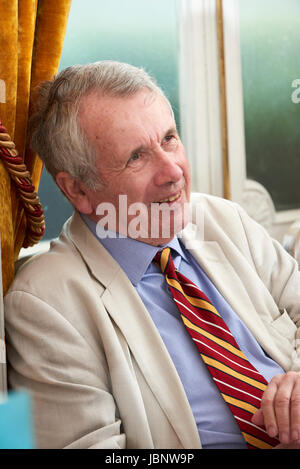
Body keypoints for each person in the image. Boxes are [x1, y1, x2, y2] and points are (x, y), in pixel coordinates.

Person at [4, 61, 300, 450]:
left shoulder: (223, 220)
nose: (172, 171)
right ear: (78, 190)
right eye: (136, 157)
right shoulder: (44, 305)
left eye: (170, 138)